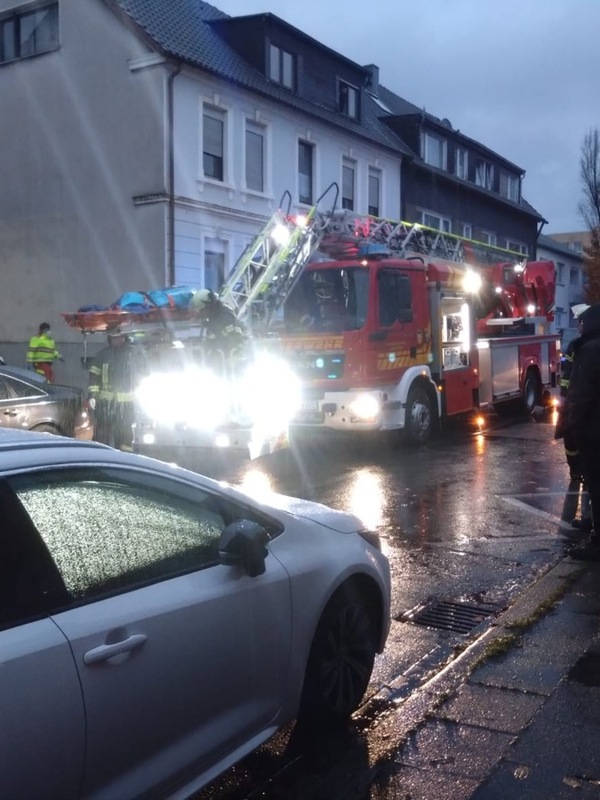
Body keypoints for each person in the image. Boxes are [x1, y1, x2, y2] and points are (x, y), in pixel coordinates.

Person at [561, 303, 600, 560]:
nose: (580, 326)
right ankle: (592, 524)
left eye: (582, 323)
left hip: (593, 433)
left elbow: (581, 395)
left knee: (596, 484)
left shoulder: (590, 350)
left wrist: (571, 424)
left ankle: (597, 543)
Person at [555, 304, 592, 531]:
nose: (578, 325)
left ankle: (578, 471)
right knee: (571, 441)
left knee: (574, 439)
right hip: (573, 401)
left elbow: (568, 376)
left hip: (575, 402)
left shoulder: (581, 346)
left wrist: (567, 397)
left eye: (580, 321)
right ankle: (577, 470)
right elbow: (566, 372)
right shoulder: (576, 345)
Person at [88, 332, 135, 450]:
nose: (116, 340)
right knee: (102, 434)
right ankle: (102, 456)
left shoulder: (132, 354)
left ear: (124, 338)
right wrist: (92, 395)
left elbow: (142, 373)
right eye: (113, 338)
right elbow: (94, 375)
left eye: (118, 338)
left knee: (125, 433)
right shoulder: (103, 354)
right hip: (105, 404)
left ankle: (125, 458)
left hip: (126, 404)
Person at [190, 289, 245, 364]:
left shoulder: (225, 315)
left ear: (208, 306)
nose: (201, 313)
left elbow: (232, 339)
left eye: (201, 310)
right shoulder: (213, 316)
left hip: (233, 357)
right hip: (220, 357)